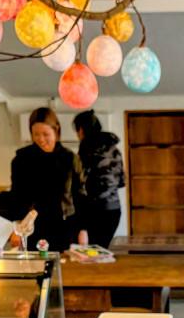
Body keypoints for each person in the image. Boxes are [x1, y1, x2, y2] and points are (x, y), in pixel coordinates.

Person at [9, 107, 83, 252]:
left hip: (64, 224)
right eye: (36, 134)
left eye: (45, 134)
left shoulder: (69, 158)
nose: (41, 139)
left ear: (56, 131)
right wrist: (16, 227)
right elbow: (16, 196)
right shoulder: (22, 160)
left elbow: (80, 195)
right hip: (33, 226)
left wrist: (83, 229)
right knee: (35, 267)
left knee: (64, 268)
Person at [73, 110, 125, 248]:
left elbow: (81, 185)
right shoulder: (114, 149)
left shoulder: (86, 148)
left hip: (94, 211)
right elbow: (121, 181)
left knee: (89, 253)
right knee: (102, 250)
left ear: (81, 129)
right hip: (114, 209)